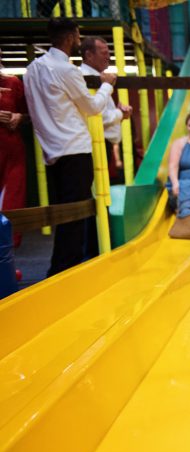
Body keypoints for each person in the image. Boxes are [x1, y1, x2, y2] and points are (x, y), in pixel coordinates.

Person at [24, 17, 116, 276]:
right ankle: (68, 273)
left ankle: (58, 270)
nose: (78, 39)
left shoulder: (32, 69)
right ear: (71, 37)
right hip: (74, 149)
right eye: (77, 35)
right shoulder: (66, 70)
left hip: (51, 151)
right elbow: (93, 107)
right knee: (75, 218)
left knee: (64, 217)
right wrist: (107, 84)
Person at [80, 36, 133, 183]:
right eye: (103, 53)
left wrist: (119, 113)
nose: (108, 57)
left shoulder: (99, 77)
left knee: (101, 191)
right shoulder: (84, 77)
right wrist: (120, 113)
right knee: (96, 189)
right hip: (93, 144)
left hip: (101, 143)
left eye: (108, 52)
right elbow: (97, 115)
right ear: (89, 55)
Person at [0, 48, 28, 248]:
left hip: (11, 151)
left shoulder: (13, 82)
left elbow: (27, 112)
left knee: (12, 199)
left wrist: (20, 117)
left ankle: (7, 257)